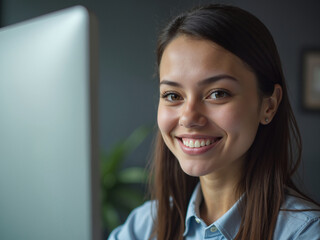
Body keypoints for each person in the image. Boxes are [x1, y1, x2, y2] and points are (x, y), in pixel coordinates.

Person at [108, 4, 320, 240]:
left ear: (268, 105)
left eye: (218, 93)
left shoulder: (305, 232)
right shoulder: (144, 225)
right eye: (172, 96)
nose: (188, 117)